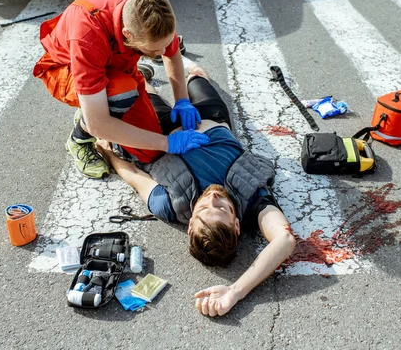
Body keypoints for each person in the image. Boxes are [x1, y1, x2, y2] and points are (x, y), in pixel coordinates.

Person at [96, 64, 296, 317]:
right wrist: (235, 291)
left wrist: (107, 153)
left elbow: (135, 177)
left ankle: (144, 76)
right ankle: (187, 70)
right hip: (212, 119)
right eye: (223, 208)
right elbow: (285, 240)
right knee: (197, 76)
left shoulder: (168, 205)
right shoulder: (254, 201)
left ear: (190, 224)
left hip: (164, 132)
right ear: (236, 224)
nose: (213, 198)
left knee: (139, 87)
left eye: (203, 208)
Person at [33, 0, 208, 178]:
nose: (163, 52)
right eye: (155, 50)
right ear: (128, 35)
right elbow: (98, 125)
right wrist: (167, 143)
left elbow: (172, 51)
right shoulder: (86, 34)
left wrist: (182, 100)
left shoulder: (149, 7)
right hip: (66, 69)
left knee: (149, 153)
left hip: (116, 66)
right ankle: (79, 138)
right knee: (120, 95)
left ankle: (98, 105)